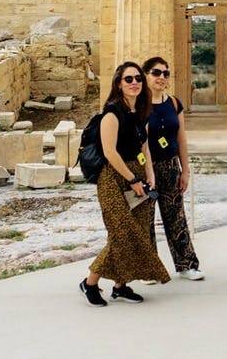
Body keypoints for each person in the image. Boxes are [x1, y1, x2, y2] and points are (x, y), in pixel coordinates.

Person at [80, 62, 170, 306]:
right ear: (119, 83)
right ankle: (90, 283)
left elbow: (145, 146)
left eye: (138, 78)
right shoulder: (111, 113)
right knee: (122, 233)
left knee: (137, 230)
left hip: (138, 174)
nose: (134, 83)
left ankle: (120, 286)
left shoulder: (141, 112)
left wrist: (149, 174)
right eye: (128, 79)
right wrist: (133, 180)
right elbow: (110, 152)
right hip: (113, 177)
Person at [142, 55, 204, 280]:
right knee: (146, 220)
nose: (161, 78)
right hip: (145, 169)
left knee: (176, 216)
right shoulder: (138, 104)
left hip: (170, 166)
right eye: (156, 73)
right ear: (146, 75)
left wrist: (184, 170)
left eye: (165, 74)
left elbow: (181, 138)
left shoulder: (174, 103)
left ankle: (187, 264)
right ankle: (149, 269)